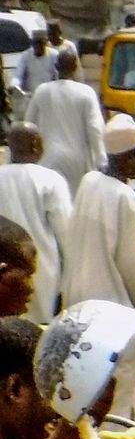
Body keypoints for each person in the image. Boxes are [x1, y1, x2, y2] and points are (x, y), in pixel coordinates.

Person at [65, 116, 135, 420]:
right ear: (128, 157)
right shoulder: (122, 196)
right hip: (114, 315)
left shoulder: (89, 182)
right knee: (125, 390)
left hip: (79, 309)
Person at [0, 124, 70, 323]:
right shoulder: (51, 180)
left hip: (4, 279)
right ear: (35, 145)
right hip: (41, 275)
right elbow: (66, 234)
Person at [22, 51, 103, 196]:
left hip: (46, 158)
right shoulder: (86, 93)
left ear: (56, 67)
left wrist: (23, 159)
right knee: (72, 204)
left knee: (48, 205)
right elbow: (95, 129)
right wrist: (101, 160)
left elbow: (27, 126)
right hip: (77, 161)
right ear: (76, 67)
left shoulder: (42, 91)